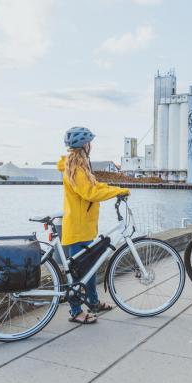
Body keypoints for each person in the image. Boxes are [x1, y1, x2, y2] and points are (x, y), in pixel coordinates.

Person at [58, 127, 130, 324]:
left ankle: (94, 302)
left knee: (90, 267)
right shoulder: (75, 169)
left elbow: (96, 186)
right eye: (90, 143)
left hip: (85, 226)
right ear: (84, 145)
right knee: (77, 273)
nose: (92, 146)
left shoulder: (81, 166)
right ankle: (75, 311)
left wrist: (116, 189)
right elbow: (90, 193)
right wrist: (116, 192)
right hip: (78, 228)